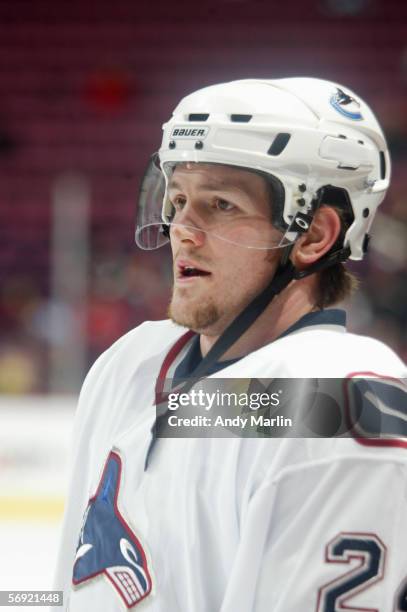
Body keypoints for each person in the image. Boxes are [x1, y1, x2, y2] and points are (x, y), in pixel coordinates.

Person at [54, 78, 407, 611]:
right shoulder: (130, 364)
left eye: (220, 204)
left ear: (313, 235)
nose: (183, 230)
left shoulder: (341, 398)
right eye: (177, 199)